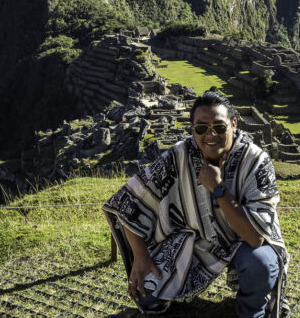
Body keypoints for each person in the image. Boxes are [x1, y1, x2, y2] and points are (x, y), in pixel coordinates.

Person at [102, 91, 289, 317]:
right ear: (192, 129)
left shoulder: (257, 162)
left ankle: (252, 310)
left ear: (234, 124)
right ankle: (176, 293)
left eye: (219, 127)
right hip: (194, 243)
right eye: (201, 128)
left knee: (260, 263)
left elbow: (255, 237)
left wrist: (218, 188)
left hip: (245, 243)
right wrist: (141, 255)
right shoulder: (178, 155)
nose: (210, 134)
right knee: (147, 292)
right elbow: (130, 200)